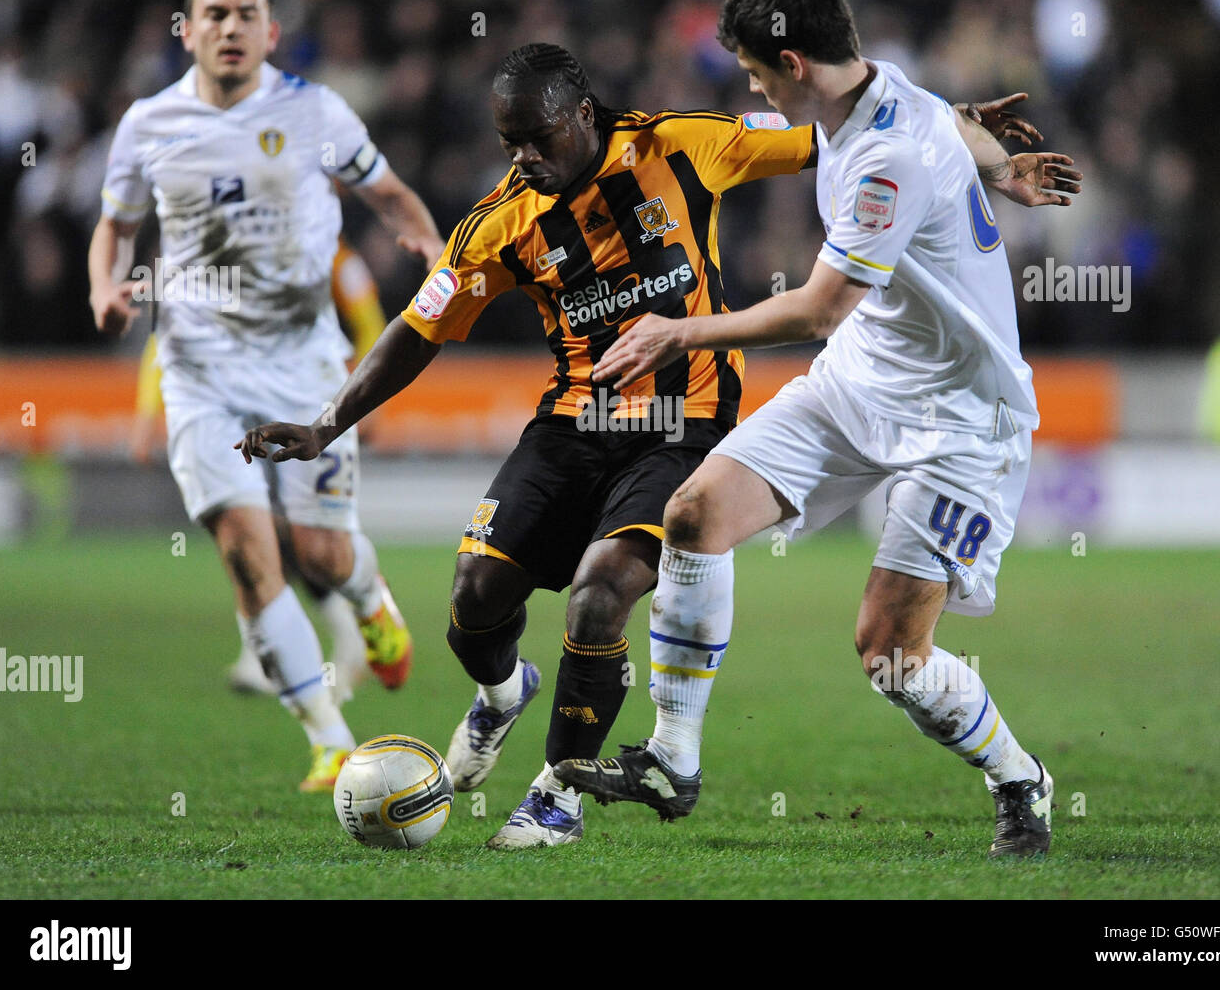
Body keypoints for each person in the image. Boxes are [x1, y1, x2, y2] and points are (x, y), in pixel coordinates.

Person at [239, 42, 1062, 849]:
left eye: (540, 137)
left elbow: (842, 132)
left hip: (687, 420)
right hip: (572, 425)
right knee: (475, 601)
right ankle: (500, 696)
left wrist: (961, 138)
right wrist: (325, 424)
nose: (524, 158)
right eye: (509, 144)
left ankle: (560, 794)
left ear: (584, 116)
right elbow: (419, 331)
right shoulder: (500, 225)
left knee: (603, 594)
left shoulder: (681, 146)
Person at [555, 0, 1082, 859]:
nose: (752, 85)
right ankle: (673, 759)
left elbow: (816, 309)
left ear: (794, 62)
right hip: (859, 382)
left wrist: (678, 332)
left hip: (961, 419)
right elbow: (954, 124)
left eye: (757, 71)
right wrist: (998, 165)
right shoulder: (882, 95)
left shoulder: (885, 159)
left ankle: (1019, 778)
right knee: (690, 515)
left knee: (890, 656)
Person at [88, 0, 443, 791]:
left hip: (305, 368)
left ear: (271, 32)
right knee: (249, 554)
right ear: (188, 31)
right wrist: (106, 287)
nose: (231, 27)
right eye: (213, 14)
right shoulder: (147, 124)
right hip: (199, 373)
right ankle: (328, 736)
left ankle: (371, 601)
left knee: (320, 551)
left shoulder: (315, 112)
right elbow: (115, 227)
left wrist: (429, 245)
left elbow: (389, 193)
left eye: (248, 14)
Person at [129, 235, 388, 703]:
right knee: (254, 525)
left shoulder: (332, 255)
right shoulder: (210, 252)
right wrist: (150, 411)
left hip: (314, 404)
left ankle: (340, 631)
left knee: (303, 536)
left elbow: (371, 325)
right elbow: (168, 337)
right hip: (237, 407)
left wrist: (359, 400)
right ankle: (286, 646)